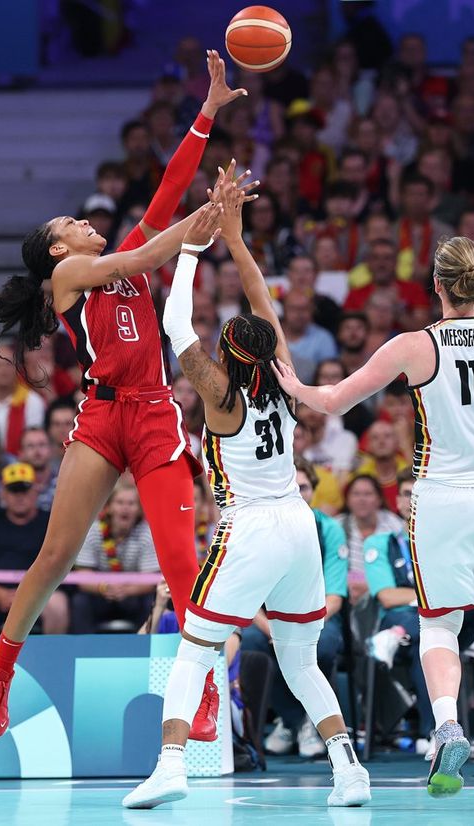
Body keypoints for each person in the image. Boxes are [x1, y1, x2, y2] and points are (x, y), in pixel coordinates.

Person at [0, 51, 249, 741]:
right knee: (55, 556)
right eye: (70, 223)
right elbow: (138, 258)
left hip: (154, 412)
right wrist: (201, 224)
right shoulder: (70, 281)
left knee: (182, 559)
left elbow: (167, 190)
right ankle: (1, 670)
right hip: (101, 419)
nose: (84, 222)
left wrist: (209, 109)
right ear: (57, 253)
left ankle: (207, 686)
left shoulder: (113, 255)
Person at [273, 236, 474, 808]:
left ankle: (447, 728)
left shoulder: (411, 348)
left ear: (439, 287)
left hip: (443, 499)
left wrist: (296, 387)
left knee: (440, 626)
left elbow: (335, 402)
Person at [124, 175, 369, 808]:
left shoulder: (220, 394)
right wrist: (235, 239)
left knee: (194, 647)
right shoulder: (285, 377)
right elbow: (264, 301)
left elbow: (177, 323)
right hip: (299, 525)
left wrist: (189, 250)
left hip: (251, 526)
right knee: (301, 660)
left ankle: (172, 764)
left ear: (228, 355)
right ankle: (349, 770)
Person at [245, 458, 348, 759]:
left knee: (324, 644)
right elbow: (249, 599)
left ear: (314, 491)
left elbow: (336, 598)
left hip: (318, 617)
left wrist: (297, 628)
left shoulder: (329, 530)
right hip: (267, 620)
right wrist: (276, 630)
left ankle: (304, 723)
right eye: (292, 487)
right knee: (251, 643)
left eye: (303, 487)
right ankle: (293, 720)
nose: (298, 493)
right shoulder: (260, 529)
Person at [362, 474, 434, 744]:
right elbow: (388, 596)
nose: (412, 500)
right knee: (424, 640)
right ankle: (433, 733)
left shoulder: (445, 542)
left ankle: (398, 632)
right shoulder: (379, 544)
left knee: (427, 633)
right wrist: (428, 597)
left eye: (419, 494)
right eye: (406, 493)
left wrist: (413, 598)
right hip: (410, 620)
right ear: (397, 500)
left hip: (445, 623)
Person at [0, 464, 68, 635]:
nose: (20, 496)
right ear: (3, 494)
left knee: (58, 604)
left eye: (25, 490)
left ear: (36, 491)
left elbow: (58, 562)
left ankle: (51, 658)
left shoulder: (50, 523)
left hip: (39, 592)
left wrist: (27, 594)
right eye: (13, 490)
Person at [70, 479, 161, 633]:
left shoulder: (147, 534)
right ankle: (82, 650)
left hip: (134, 594)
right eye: (120, 502)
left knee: (151, 602)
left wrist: (126, 590)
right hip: (100, 593)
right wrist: (104, 587)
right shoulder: (93, 531)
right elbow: (82, 576)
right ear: (109, 507)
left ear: (139, 509)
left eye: (131, 503)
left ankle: (146, 648)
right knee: (80, 602)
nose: (125, 508)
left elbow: (151, 579)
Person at [18, 427, 59, 511]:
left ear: (51, 450)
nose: (37, 451)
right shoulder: (11, 486)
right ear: (21, 453)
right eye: (30, 446)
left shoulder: (63, 483)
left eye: (42, 445)